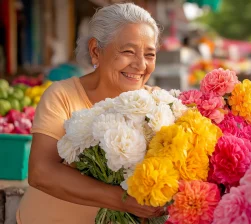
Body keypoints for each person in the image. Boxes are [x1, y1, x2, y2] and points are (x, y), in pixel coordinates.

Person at [17, 3, 166, 223]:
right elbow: (41, 172)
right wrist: (122, 200)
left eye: (150, 54)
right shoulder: (63, 95)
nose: (140, 65)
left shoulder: (160, 105)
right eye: (128, 51)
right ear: (96, 51)